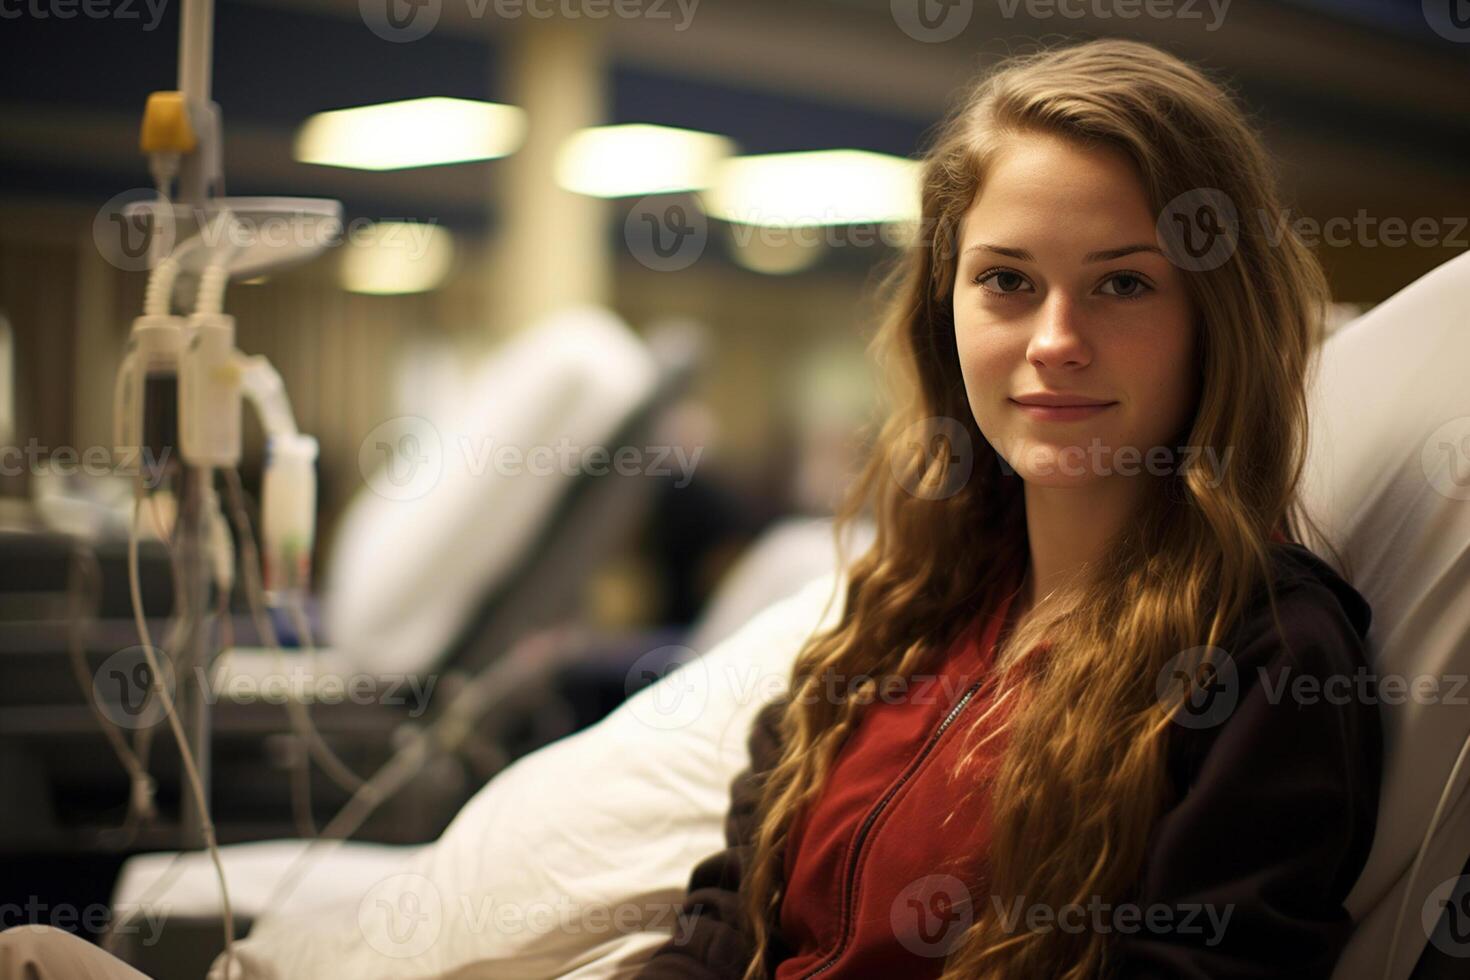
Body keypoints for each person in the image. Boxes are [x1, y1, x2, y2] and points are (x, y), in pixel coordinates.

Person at [633, 38, 1381, 980]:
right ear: (947, 310)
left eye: (1123, 283)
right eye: (1007, 281)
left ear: (1213, 319)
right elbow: (724, 918)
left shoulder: (1265, 654)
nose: (1055, 341)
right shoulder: (909, 600)